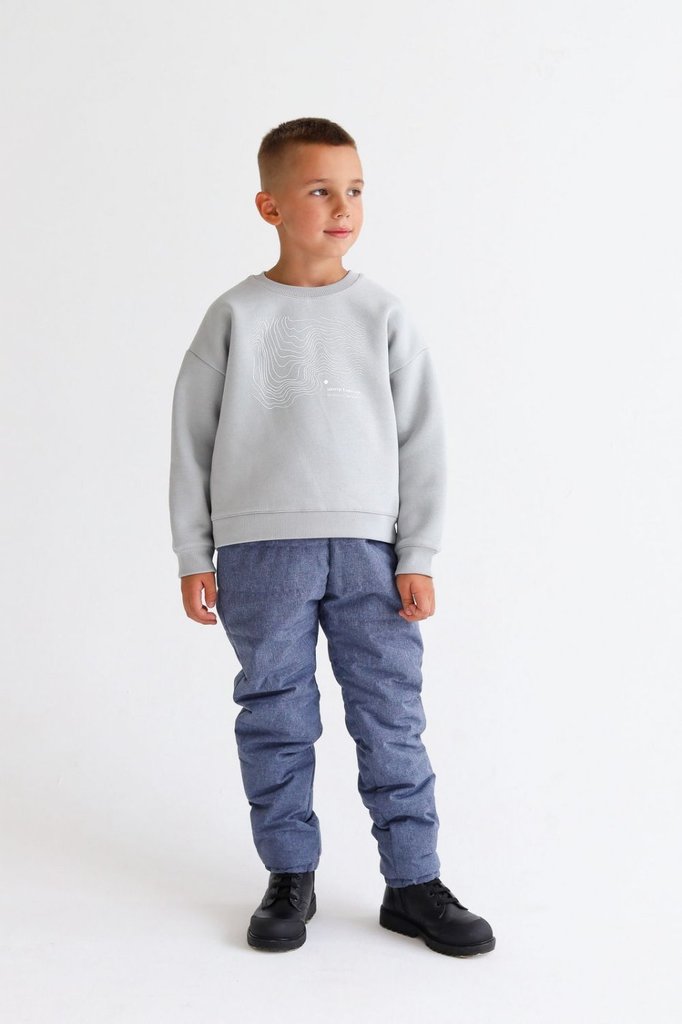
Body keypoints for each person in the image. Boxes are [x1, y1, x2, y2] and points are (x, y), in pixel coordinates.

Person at [168, 116, 495, 957]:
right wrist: (193, 553)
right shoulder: (235, 314)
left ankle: (413, 882)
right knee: (275, 715)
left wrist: (418, 554)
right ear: (270, 206)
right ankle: (289, 875)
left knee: (391, 717)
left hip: (368, 554)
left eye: (354, 190)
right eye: (319, 190)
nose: (343, 207)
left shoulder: (382, 313)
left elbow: (422, 441)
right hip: (258, 552)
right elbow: (191, 440)